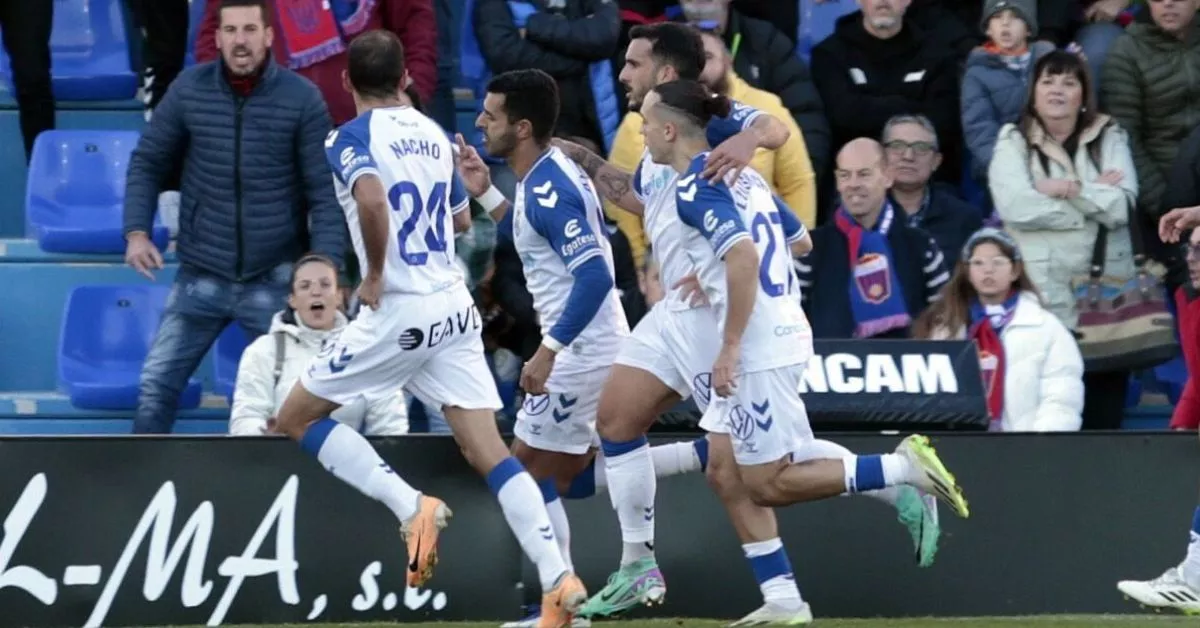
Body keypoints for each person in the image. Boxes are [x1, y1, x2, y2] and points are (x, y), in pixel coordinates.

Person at [551, 23, 943, 622]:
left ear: (664, 73)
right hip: (686, 311)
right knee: (618, 419)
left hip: (725, 323)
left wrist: (747, 145)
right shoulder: (661, 139)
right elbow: (649, 197)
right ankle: (639, 565)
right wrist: (586, 161)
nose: (623, 75)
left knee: (743, 471)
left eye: (633, 64)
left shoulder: (717, 121)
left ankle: (850, 527)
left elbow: (775, 133)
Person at [271, 30, 587, 628]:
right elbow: (463, 220)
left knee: (296, 417)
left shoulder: (348, 137)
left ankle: (410, 505)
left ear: (346, 83)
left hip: (401, 307)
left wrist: (373, 274)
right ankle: (557, 579)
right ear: (407, 78)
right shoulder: (436, 135)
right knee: (488, 451)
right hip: (452, 307)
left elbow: (370, 198)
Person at [643, 78, 971, 624]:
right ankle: (786, 600)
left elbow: (744, 259)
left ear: (672, 128)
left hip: (755, 346)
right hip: (790, 329)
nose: (643, 132)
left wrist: (726, 339)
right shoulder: (744, 179)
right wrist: (713, 265)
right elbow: (800, 241)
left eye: (648, 123)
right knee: (759, 465)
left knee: (766, 482)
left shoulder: (693, 187)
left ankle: (899, 470)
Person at [457, 68, 709, 628]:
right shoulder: (543, 178)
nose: (479, 121)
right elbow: (536, 236)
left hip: (580, 351)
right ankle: (704, 455)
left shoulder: (548, 186)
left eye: (491, 115)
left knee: (524, 473)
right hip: (591, 344)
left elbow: (594, 274)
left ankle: (560, 608)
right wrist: (486, 194)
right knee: (562, 477)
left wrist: (549, 351)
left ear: (521, 128)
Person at [123, 0, 347, 434]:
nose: (239, 40)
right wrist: (136, 231)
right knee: (155, 385)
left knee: (299, 397)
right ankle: (140, 496)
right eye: (230, 30)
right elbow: (147, 161)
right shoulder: (189, 89)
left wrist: (326, 266)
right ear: (218, 36)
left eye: (249, 29)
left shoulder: (302, 98)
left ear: (268, 36)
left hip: (277, 276)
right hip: (200, 274)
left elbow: (325, 192)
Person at [912, 228, 1084, 431]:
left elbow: (1061, 395)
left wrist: (1040, 445)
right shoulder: (944, 327)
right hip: (957, 446)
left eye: (998, 262)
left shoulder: (1047, 327)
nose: (988, 270)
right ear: (967, 272)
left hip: (1022, 448)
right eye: (978, 263)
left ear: (1015, 270)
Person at [229, 254, 409, 437]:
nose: (316, 292)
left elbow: (390, 427)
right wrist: (264, 442)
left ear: (339, 296)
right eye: (305, 286)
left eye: (325, 284)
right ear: (292, 299)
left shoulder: (366, 351)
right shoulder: (263, 350)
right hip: (278, 461)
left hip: (345, 461)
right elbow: (247, 418)